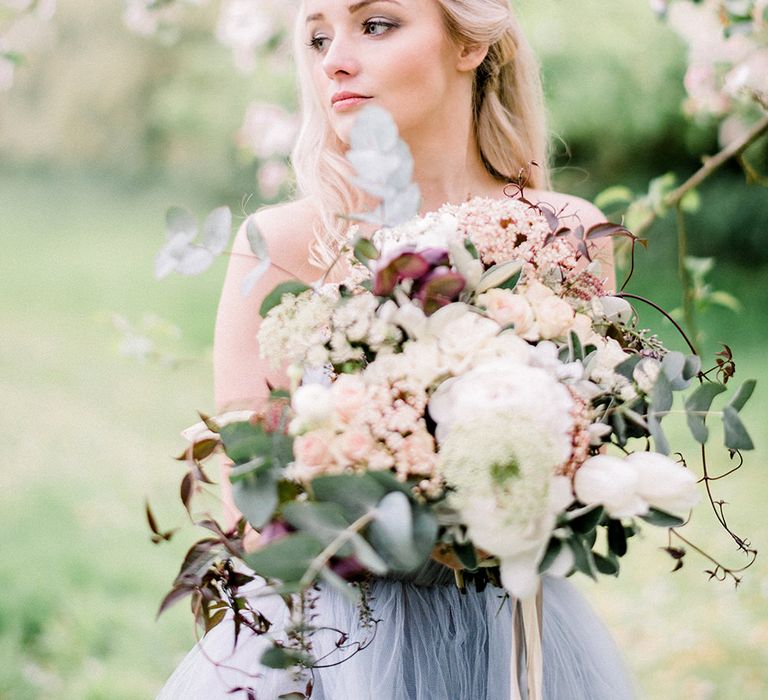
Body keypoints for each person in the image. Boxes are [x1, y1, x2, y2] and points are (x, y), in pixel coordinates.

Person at [158, 1, 636, 697]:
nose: (335, 59)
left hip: (509, 629)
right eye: (319, 37)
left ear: (469, 43)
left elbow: (580, 461)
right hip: (329, 641)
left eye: (374, 24)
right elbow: (245, 498)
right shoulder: (284, 243)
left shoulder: (566, 236)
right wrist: (371, 486)